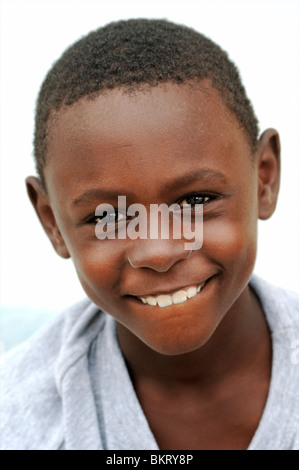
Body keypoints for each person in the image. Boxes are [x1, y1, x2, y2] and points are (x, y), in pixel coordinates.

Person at [1, 19, 298, 451]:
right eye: (110, 217)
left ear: (263, 180)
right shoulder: (18, 419)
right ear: (52, 221)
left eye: (196, 201)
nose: (158, 252)